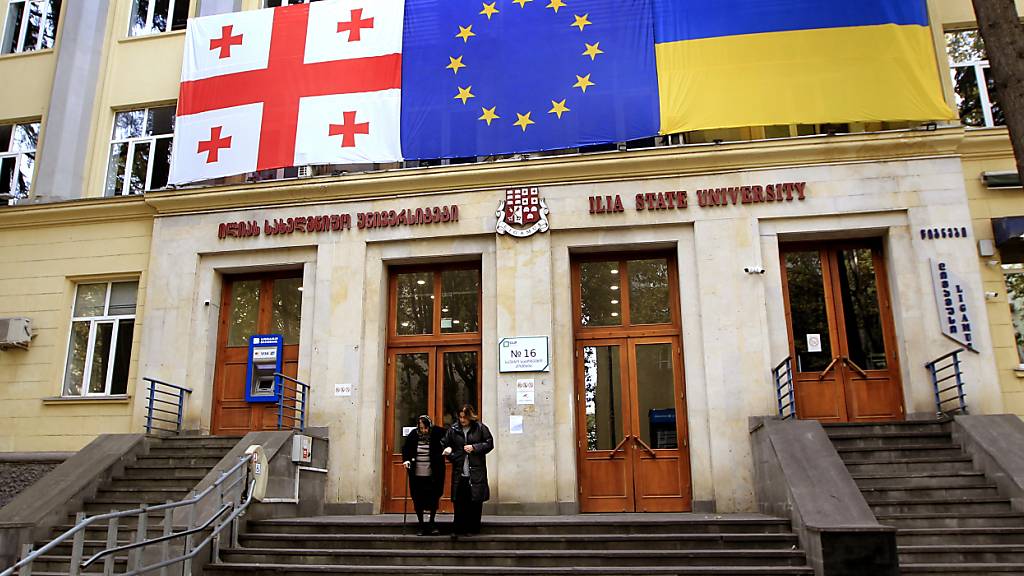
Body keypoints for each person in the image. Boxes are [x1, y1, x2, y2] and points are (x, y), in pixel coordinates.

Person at [441, 404, 493, 537]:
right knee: (459, 501)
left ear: (471, 417)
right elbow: (444, 443)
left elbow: (489, 443)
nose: (462, 420)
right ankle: (458, 528)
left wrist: (475, 448)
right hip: (460, 471)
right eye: (460, 417)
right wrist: (450, 453)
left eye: (465, 417)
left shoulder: (480, 428)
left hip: (475, 471)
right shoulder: (454, 429)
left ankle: (473, 528)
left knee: (475, 501)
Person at [402, 415, 447, 536]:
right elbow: (406, 449)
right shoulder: (413, 434)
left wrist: (448, 448)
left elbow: (450, 437)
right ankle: (421, 525)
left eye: (426, 428)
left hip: (433, 473)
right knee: (418, 499)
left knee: (433, 498)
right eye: (421, 428)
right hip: (417, 474)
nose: (424, 430)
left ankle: (432, 523)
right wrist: (406, 460)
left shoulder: (438, 432)